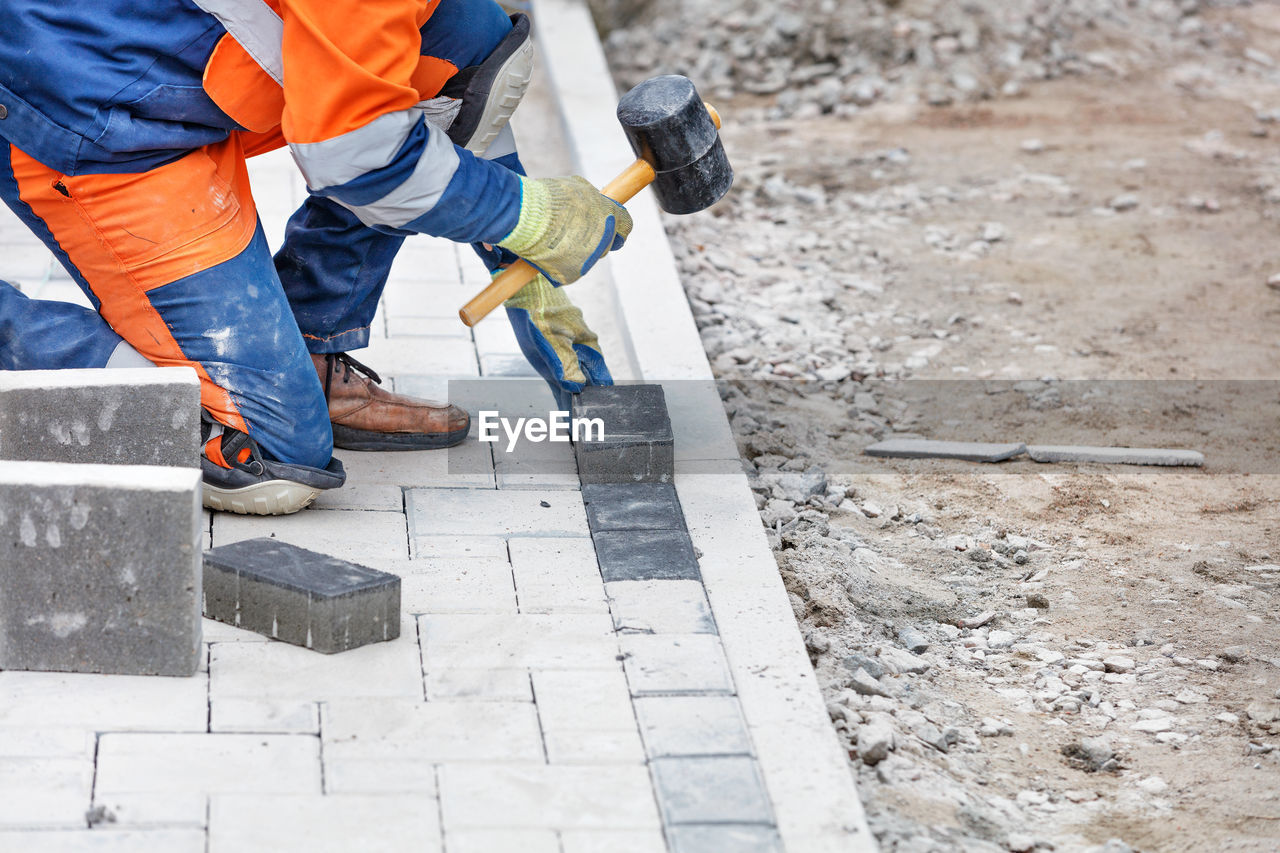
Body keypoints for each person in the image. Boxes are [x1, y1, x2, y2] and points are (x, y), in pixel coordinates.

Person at [0, 0, 630, 514]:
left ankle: (311, 341)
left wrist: (530, 278)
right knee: (270, 456)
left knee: (463, 29)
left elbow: (456, 82)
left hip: (163, 65)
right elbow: (362, 160)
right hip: (88, 115)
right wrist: (533, 216)